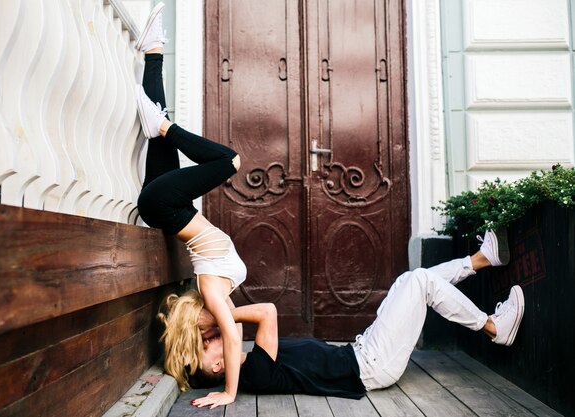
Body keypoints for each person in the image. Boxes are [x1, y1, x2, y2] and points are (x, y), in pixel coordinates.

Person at [184, 230, 525, 407]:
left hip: (364, 352)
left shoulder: (254, 362)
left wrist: (218, 313)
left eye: (207, 337)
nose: (211, 337)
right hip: (371, 365)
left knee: (410, 282)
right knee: (417, 281)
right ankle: (494, 327)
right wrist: (219, 314)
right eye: (207, 346)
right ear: (218, 367)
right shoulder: (255, 372)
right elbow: (266, 312)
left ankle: (481, 259)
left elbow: (244, 322)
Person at [134, 3, 245, 408]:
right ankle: (153, 51)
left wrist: (229, 392)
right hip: (168, 209)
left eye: (205, 339)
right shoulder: (221, 303)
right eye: (213, 340)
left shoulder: (212, 293)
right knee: (157, 134)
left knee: (228, 161)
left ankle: (164, 125)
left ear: (197, 323)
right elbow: (261, 315)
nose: (218, 337)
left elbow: (232, 335)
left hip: (167, 207)